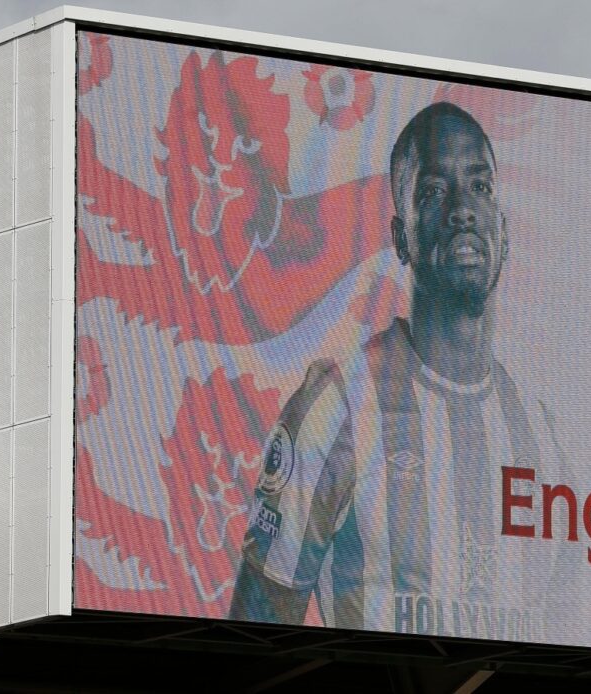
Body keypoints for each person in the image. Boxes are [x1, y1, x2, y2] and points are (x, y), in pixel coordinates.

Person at [230, 102, 562, 641]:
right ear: (401, 236)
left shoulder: (538, 431)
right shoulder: (335, 406)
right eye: (433, 193)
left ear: (503, 226)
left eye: (480, 187)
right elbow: (253, 630)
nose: (462, 211)